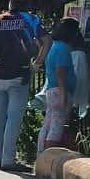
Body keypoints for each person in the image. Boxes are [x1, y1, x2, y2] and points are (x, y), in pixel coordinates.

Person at [0, 0, 46, 171]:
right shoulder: (31, 20)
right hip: (19, 76)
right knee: (13, 118)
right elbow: (47, 41)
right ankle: (8, 160)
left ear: (10, 3)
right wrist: (37, 63)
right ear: (27, 3)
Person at [37, 18, 77, 155]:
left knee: (48, 123)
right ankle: (49, 156)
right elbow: (60, 71)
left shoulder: (53, 46)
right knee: (56, 126)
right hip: (59, 90)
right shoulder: (62, 48)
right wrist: (64, 93)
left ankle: (41, 154)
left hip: (52, 90)